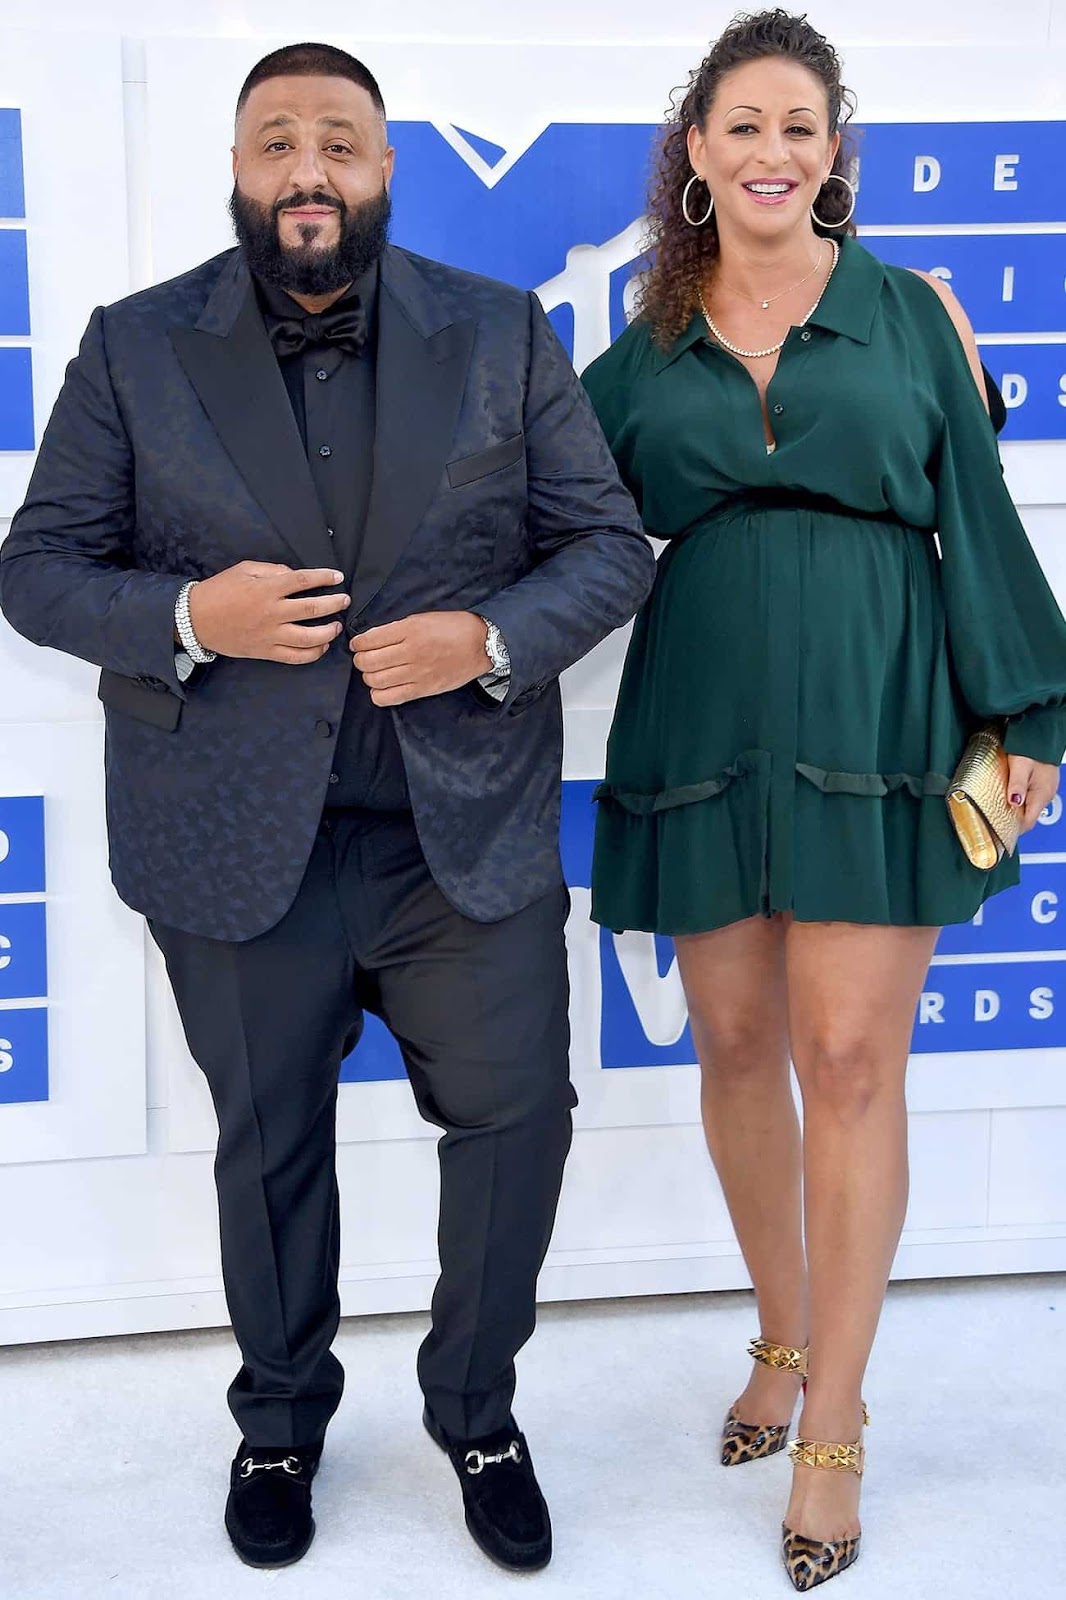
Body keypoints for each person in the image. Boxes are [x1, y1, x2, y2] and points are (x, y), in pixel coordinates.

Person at [0, 41, 654, 1574]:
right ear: (239, 171)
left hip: (458, 837)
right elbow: (36, 571)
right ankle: (281, 1424)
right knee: (271, 1146)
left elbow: (606, 548)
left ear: (382, 170)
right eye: (277, 141)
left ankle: (474, 1414)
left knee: (516, 1120)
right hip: (234, 845)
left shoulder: (498, 333)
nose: (308, 168)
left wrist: (487, 638)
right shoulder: (134, 346)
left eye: (339, 142)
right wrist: (189, 616)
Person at [581, 9, 1066, 1592]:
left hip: (881, 695)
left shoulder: (909, 308)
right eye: (741, 123)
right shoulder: (645, 341)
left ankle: (835, 1422)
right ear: (695, 152)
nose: (770, 150)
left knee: (849, 1060)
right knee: (734, 1044)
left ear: (834, 151)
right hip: (699, 701)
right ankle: (781, 1340)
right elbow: (548, 503)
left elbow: (973, 510)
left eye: (798, 124)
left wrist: (1023, 707)